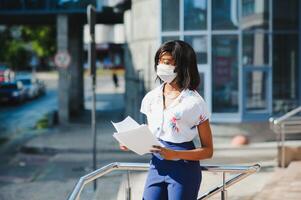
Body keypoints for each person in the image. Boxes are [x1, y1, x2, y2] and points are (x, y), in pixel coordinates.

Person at [120, 40, 214, 200]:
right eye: (159, 61)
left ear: (181, 65)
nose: (161, 66)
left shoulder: (195, 102)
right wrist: (132, 142)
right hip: (156, 166)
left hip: (183, 170)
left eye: (166, 62)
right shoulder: (150, 98)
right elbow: (152, 134)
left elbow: (208, 151)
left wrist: (175, 154)